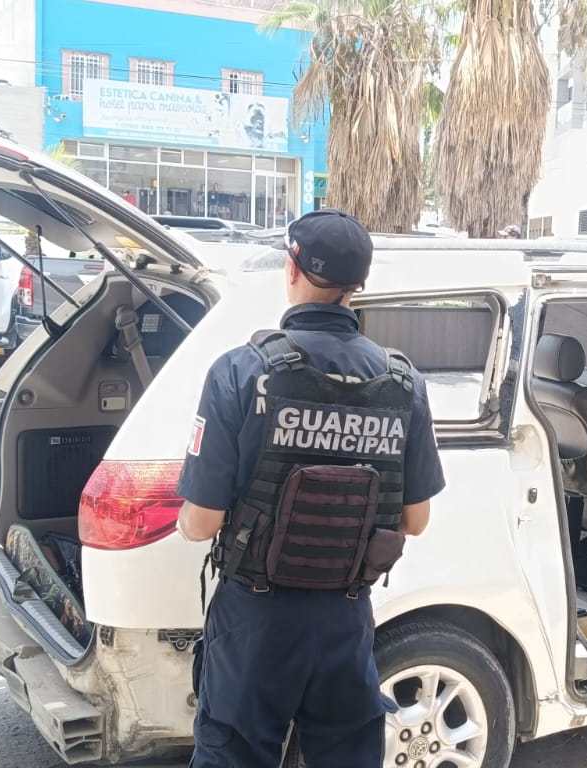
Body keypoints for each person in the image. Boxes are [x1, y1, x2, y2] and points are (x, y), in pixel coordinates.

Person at [176, 209, 445, 767]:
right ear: (357, 283)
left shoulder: (240, 371)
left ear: (292, 267)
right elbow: (416, 521)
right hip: (345, 620)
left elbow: (200, 523)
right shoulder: (404, 382)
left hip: (255, 619)